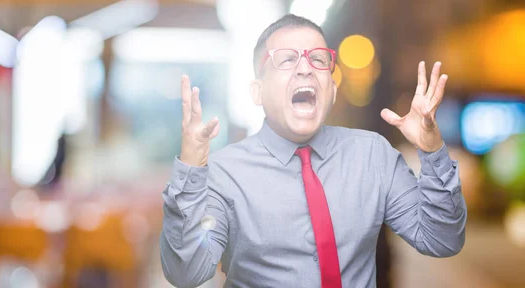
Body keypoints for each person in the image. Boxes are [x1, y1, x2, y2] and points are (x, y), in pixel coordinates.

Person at [160, 14, 466, 288]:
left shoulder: (373, 155)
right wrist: (191, 169)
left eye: (319, 59)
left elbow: (442, 240)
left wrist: (432, 150)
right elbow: (187, 273)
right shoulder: (224, 172)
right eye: (286, 59)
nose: (306, 68)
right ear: (257, 92)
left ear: (331, 89)